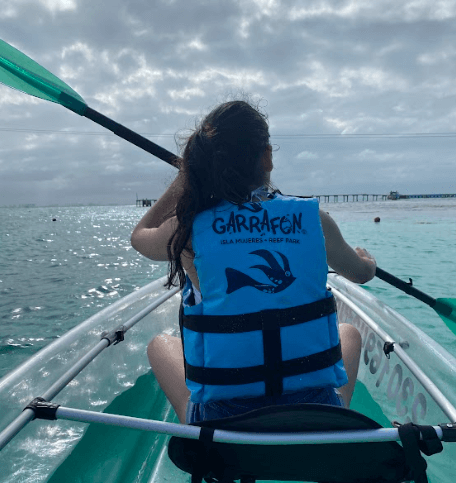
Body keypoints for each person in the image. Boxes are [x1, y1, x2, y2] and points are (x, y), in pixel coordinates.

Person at [131, 100, 377, 425]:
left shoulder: (189, 228)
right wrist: (366, 261)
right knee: (349, 333)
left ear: (200, 165)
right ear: (267, 157)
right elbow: (360, 274)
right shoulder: (315, 220)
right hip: (315, 415)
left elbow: (140, 236)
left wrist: (184, 179)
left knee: (159, 345)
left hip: (224, 423)